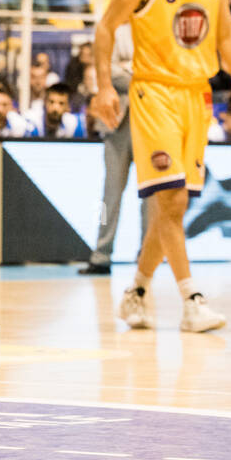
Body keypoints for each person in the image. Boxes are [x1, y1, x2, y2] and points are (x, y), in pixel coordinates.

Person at [93, 0, 231, 333]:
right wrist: (105, 86)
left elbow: (225, 35)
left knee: (172, 209)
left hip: (196, 96)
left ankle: (137, 293)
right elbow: (105, 27)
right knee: (173, 199)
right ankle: (191, 300)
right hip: (153, 93)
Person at [79, 15, 147, 275]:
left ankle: (145, 256)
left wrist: (128, 68)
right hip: (116, 121)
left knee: (150, 195)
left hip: (149, 121)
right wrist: (138, 72)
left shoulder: (156, 25)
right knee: (110, 194)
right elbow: (105, 71)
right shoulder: (114, 29)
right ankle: (101, 255)